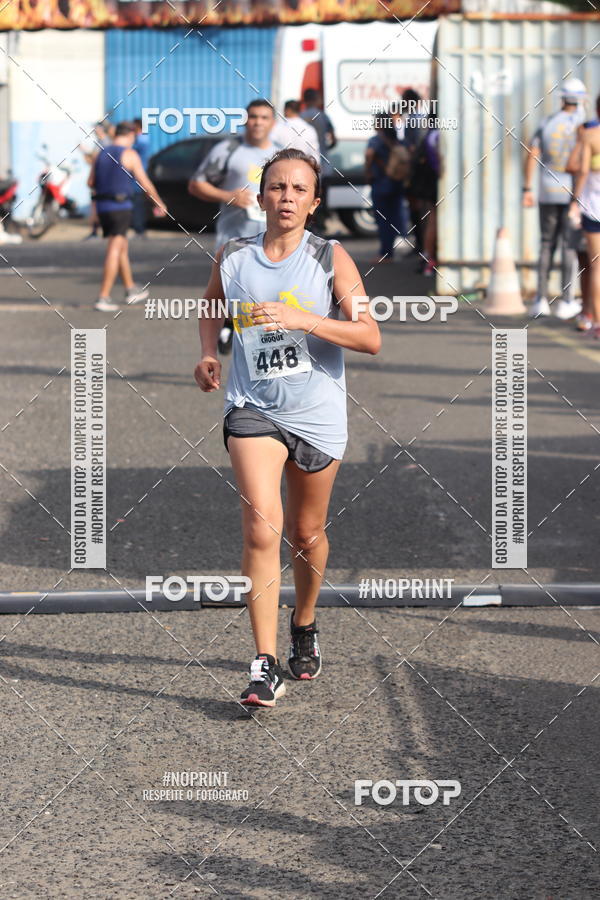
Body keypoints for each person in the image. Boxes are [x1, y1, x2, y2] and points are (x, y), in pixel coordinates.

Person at [194, 148, 381, 707]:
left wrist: (305, 319)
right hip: (253, 407)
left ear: (314, 202)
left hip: (317, 415)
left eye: (299, 190)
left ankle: (304, 621)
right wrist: (208, 354)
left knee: (306, 534)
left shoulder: (331, 258)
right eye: (277, 187)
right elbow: (211, 305)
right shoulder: (233, 256)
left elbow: (369, 336)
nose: (287, 198)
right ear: (260, 195)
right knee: (260, 528)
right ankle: (264, 662)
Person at [188, 99, 278, 353]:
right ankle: (227, 326)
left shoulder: (281, 153)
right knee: (232, 293)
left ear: (273, 122)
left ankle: (261, 346)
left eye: (263, 117)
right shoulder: (228, 149)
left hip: (270, 239)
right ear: (245, 120)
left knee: (266, 294)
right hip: (234, 238)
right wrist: (229, 196)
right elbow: (196, 184)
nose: (257, 122)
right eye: (253, 117)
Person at [523, 78, 587, 319]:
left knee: (546, 244)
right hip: (574, 194)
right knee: (569, 247)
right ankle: (567, 300)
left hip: (547, 191)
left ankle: (540, 299)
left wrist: (527, 188)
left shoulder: (548, 122)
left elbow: (532, 154)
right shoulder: (584, 126)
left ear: (562, 98)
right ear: (581, 99)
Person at [89, 121, 166, 312]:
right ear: (131, 135)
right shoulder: (129, 154)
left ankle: (130, 289)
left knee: (121, 246)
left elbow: (90, 181)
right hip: (121, 206)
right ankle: (103, 297)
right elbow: (144, 183)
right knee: (115, 247)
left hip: (103, 207)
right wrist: (158, 202)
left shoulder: (100, 153)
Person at [572, 101, 600, 338]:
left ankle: (597, 322)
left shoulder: (590, 136)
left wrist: (574, 201)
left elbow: (580, 171)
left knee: (596, 267)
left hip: (593, 208)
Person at [364, 116, 409, 263]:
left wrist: (368, 171)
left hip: (381, 183)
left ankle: (385, 253)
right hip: (396, 182)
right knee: (393, 217)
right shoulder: (396, 140)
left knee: (382, 220)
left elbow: (369, 154)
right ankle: (390, 251)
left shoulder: (375, 140)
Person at [300, 89, 337, 235]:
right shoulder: (323, 117)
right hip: (323, 164)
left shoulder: (301, 117)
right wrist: (325, 148)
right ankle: (320, 227)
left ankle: (307, 227)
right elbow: (333, 139)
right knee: (320, 199)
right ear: (316, 99)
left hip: (305, 166)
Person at [132, 117, 151, 237]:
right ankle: (139, 228)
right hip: (139, 174)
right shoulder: (144, 138)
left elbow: (128, 150)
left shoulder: (141, 140)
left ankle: (139, 229)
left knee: (137, 202)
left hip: (138, 175)